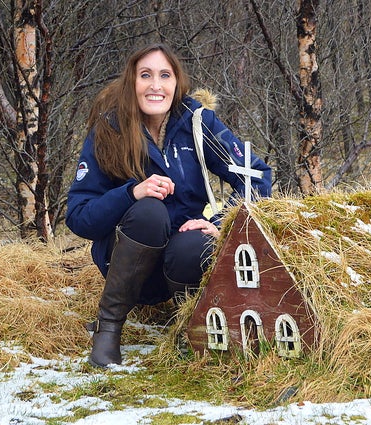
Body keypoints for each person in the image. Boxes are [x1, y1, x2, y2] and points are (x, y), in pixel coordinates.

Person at [65, 43, 272, 368]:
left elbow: (257, 176)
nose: (155, 85)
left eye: (165, 75)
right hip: (125, 258)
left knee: (195, 241)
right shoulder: (110, 129)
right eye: (145, 75)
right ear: (131, 81)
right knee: (150, 211)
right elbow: (78, 217)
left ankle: (187, 323)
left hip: (183, 261)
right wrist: (131, 193)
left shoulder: (198, 123)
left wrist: (221, 224)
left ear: (177, 83)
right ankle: (108, 329)